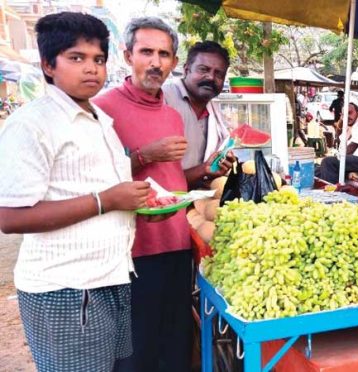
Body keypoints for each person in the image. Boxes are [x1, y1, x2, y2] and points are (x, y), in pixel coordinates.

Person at [0, 12, 152, 371]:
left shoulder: (99, 119)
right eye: (76, 58)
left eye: (98, 59)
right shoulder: (33, 124)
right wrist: (107, 201)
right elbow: (9, 217)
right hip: (66, 289)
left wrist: (129, 194)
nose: (92, 69)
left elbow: (99, 183)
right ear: (48, 65)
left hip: (108, 277)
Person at [93, 17, 193, 372]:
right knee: (136, 354)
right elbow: (94, 183)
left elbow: (172, 179)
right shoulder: (102, 109)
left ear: (174, 63)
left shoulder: (170, 114)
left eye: (164, 54)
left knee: (176, 346)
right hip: (132, 254)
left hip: (178, 244)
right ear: (127, 55)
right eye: (146, 51)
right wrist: (144, 156)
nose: (156, 62)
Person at [162, 41, 234, 190]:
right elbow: (152, 173)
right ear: (186, 70)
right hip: (162, 204)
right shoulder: (163, 99)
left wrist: (217, 168)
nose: (211, 77)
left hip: (199, 203)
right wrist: (203, 170)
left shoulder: (215, 112)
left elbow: (206, 171)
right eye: (203, 70)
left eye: (218, 74)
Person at [319, 102, 358, 183]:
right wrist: (341, 120)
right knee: (317, 169)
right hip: (352, 160)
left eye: (350, 113)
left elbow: (352, 147)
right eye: (344, 114)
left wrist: (337, 158)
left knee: (327, 162)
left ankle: (333, 193)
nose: (347, 116)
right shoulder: (350, 126)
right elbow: (338, 138)